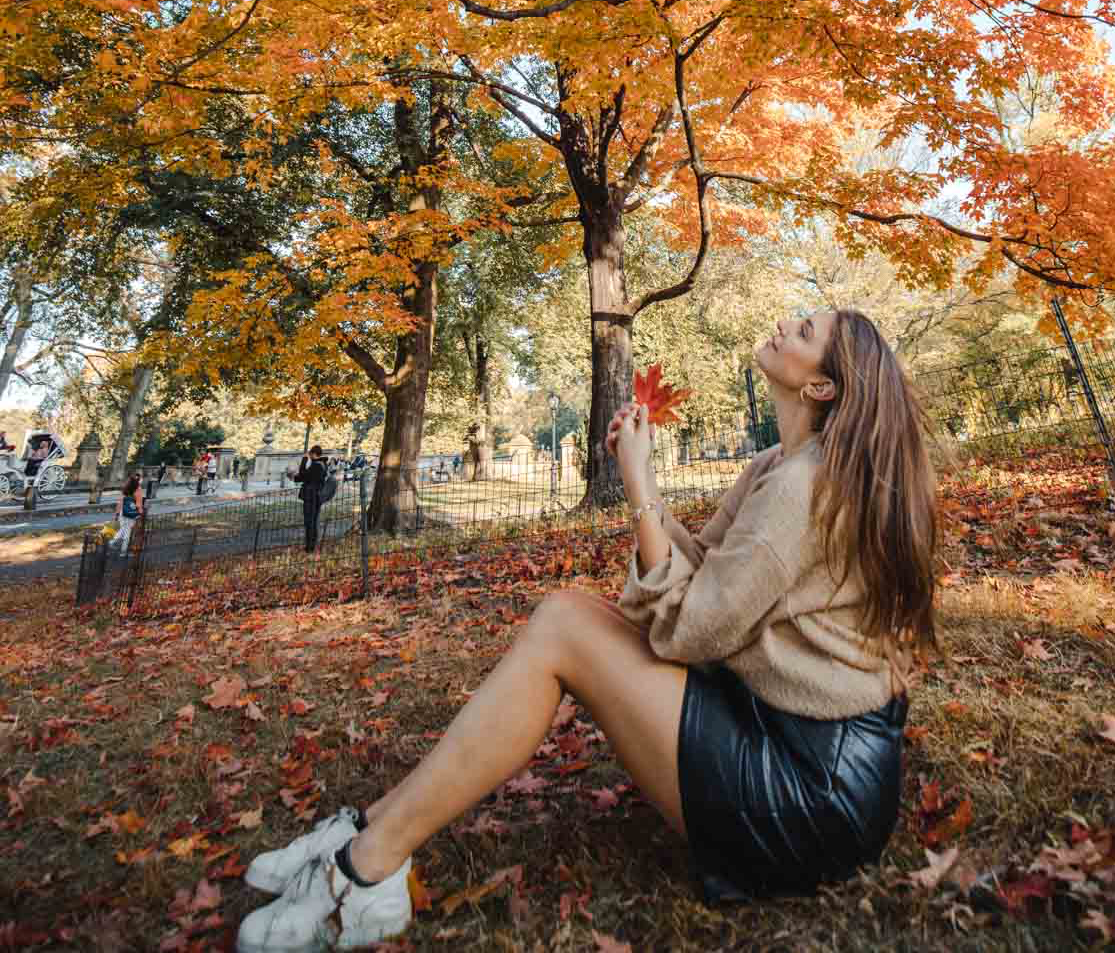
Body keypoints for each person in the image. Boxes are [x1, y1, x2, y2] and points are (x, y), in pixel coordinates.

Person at [235, 309, 939, 952]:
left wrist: (637, 490)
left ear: (820, 388)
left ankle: (365, 875)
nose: (787, 323)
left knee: (566, 629)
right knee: (567, 614)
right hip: (782, 733)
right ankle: (370, 829)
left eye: (807, 332)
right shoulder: (775, 466)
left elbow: (689, 630)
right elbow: (705, 572)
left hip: (811, 795)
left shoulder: (803, 489)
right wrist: (648, 479)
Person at [294, 446, 328, 554]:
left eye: (310, 454)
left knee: (309, 521)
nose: (309, 456)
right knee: (313, 520)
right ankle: (312, 544)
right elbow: (303, 477)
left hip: (311, 496)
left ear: (313, 454)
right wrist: (295, 477)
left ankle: (310, 547)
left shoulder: (316, 465)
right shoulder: (322, 464)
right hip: (316, 496)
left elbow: (303, 475)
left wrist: (304, 460)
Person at [112, 472, 144, 556]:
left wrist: (117, 513)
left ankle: (113, 543)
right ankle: (121, 551)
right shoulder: (138, 489)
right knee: (127, 532)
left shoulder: (125, 489)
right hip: (131, 513)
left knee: (123, 529)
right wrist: (140, 513)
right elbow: (138, 503)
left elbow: (120, 502)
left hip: (123, 512)